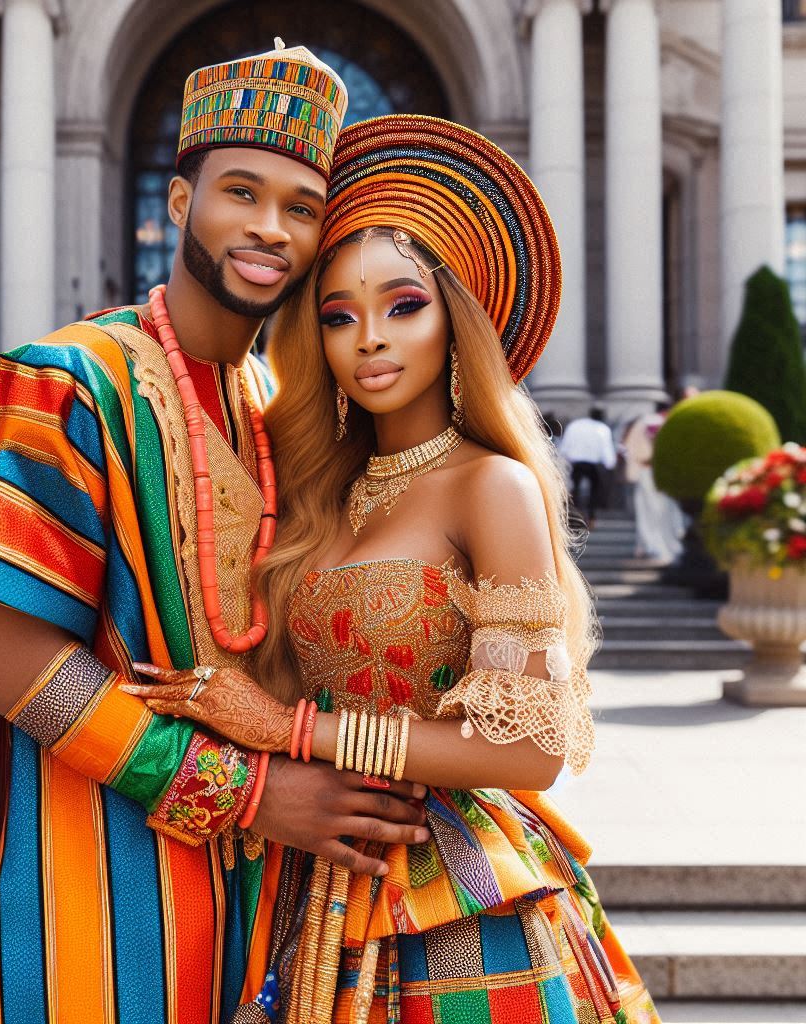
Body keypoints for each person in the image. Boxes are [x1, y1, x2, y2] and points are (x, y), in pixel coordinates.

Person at [0, 44, 431, 1024]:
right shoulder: (68, 380)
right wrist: (244, 791)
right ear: (181, 201)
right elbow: (15, 663)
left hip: (263, 906)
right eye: (243, 191)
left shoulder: (277, 409)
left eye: (303, 207)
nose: (271, 228)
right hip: (94, 893)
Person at [126, 115, 658, 1023]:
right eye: (339, 315)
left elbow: (529, 752)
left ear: (455, 321)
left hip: (458, 895)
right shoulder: (310, 494)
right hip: (310, 886)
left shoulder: (490, 486)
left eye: (402, 305)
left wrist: (292, 732)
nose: (369, 338)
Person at [621, 403, 685, 562]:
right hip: (656, 471)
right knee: (659, 510)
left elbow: (629, 448)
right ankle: (653, 544)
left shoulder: (643, 422)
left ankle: (646, 545)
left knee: (646, 510)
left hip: (645, 470)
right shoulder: (659, 422)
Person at [559, 405, 617, 528]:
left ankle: (575, 516)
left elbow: (566, 445)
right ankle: (591, 518)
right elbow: (606, 450)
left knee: (575, 490)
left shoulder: (576, 425)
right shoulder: (603, 428)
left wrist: (565, 457)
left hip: (577, 463)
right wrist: (610, 463)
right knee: (594, 492)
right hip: (593, 465)